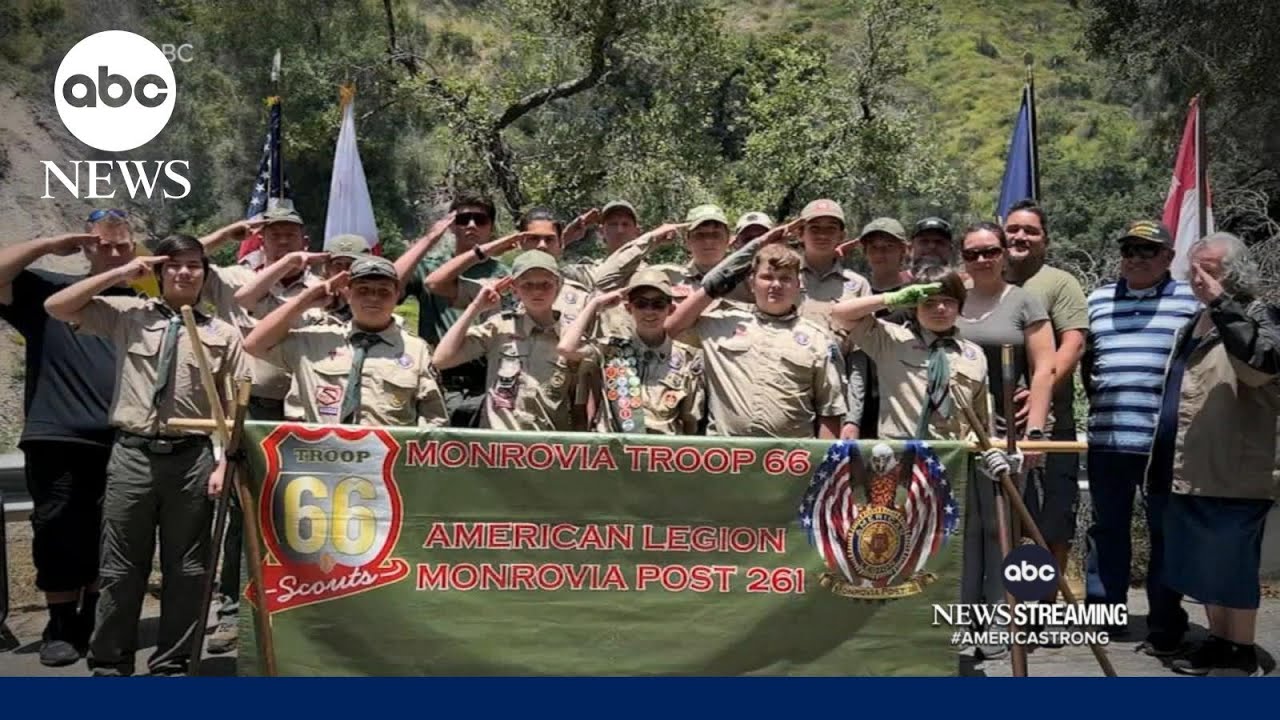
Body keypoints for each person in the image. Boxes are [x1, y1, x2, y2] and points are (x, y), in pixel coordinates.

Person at [44, 234, 252, 676]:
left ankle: (172, 662)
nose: (184, 272)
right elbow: (57, 307)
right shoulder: (128, 315)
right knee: (120, 567)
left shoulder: (223, 333)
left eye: (194, 265)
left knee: (189, 568)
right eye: (173, 265)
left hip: (192, 459)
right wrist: (120, 273)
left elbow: (237, 406)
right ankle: (109, 663)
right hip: (133, 455)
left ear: (205, 273)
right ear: (159, 271)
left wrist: (222, 461)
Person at [829, 263, 1011, 658]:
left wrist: (992, 453)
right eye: (929, 300)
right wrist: (895, 297)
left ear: (960, 307)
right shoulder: (890, 340)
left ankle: (959, 628)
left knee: (958, 552)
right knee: (901, 550)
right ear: (915, 305)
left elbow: (982, 415)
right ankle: (901, 632)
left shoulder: (974, 355)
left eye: (948, 301)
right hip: (902, 469)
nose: (940, 308)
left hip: (956, 466)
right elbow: (840, 313)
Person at [0, 215, 136, 666]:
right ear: (87, 248)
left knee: (110, 533)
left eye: (123, 247)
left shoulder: (141, 303)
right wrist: (46, 244)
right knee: (57, 530)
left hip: (126, 436)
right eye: (105, 247)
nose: (115, 254)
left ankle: (95, 618)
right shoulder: (46, 290)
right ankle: (60, 621)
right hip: (57, 434)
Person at [1144, 233, 1279, 675]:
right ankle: (1219, 640)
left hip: (1233, 465)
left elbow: (1260, 366)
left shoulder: (1261, 314)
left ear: (1234, 272)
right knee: (1204, 564)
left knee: (1232, 562)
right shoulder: (1196, 319)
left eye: (1210, 269)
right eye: (1194, 267)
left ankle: (1240, 648)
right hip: (1188, 464)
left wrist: (1222, 305)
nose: (1197, 277)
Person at [196, 206, 312, 656]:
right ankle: (229, 612)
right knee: (238, 517)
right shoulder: (229, 279)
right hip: (247, 408)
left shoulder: (320, 286)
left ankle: (292, 609)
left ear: (304, 239)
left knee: (297, 516)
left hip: (300, 412)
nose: (283, 240)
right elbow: (176, 264)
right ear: (260, 238)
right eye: (274, 233)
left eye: (291, 234)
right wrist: (227, 231)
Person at [1081, 219, 1199, 646]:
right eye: (1128, 249)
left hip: (1164, 442)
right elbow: (1087, 365)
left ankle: (1165, 623)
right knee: (1106, 529)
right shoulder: (1097, 300)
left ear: (1168, 257)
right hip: (1107, 436)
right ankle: (1104, 616)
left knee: (1164, 532)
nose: (1135, 258)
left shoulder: (1190, 300)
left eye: (1147, 250)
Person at [664, 242, 846, 438]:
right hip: (727, 457)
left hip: (791, 459)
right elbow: (671, 329)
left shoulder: (817, 338)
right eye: (767, 277)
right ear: (752, 283)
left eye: (785, 279)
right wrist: (711, 287)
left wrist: (826, 465)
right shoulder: (721, 325)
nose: (776, 285)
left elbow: (830, 412)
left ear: (798, 285)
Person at [243, 256, 448, 427]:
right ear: (348, 294)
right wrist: (304, 301)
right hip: (324, 460)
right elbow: (254, 344)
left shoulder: (416, 350)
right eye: (363, 290)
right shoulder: (315, 341)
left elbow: (434, 419)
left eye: (383, 291)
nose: (373, 298)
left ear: (396, 296)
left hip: (389, 466)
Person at [1002, 200, 1090, 594]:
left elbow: (1072, 344)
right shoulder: (984, 280)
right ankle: (1006, 607)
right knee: (999, 522)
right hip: (993, 424)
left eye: (1030, 231)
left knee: (1051, 522)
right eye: (1013, 229)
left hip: (1050, 426)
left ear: (1045, 240)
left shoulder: (1059, 283)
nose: (1020, 236)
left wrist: (1040, 389)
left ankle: (1044, 605)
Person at [432, 251, 580, 432]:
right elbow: (442, 359)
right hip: (500, 445)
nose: (537, 291)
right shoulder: (500, 327)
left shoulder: (570, 338)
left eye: (545, 284)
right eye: (527, 285)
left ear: (559, 286)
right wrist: (475, 307)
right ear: (514, 288)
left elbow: (578, 401)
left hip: (548, 447)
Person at [396, 193, 502, 428]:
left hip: (487, 383)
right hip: (437, 381)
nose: (471, 225)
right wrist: (429, 239)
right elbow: (388, 285)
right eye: (464, 219)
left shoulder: (503, 274)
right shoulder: (429, 268)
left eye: (480, 219)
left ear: (491, 226)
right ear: (452, 225)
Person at [558, 268, 704, 435]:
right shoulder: (610, 350)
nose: (649, 311)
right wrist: (595, 304)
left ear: (670, 309)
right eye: (641, 304)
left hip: (661, 454)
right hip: (616, 451)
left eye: (658, 304)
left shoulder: (687, 359)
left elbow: (690, 423)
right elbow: (566, 348)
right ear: (629, 308)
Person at [956, 221, 1054, 443]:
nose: (982, 260)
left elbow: (1045, 369)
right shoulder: (949, 302)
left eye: (990, 252)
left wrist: (1035, 430)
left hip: (1011, 428)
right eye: (972, 254)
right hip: (957, 430)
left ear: (1004, 253)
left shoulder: (1025, 302)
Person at [838, 217, 913, 440]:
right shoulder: (855, 293)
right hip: (857, 398)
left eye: (889, 247)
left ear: (904, 250)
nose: (880, 253)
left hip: (902, 400)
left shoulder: (914, 296)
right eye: (874, 247)